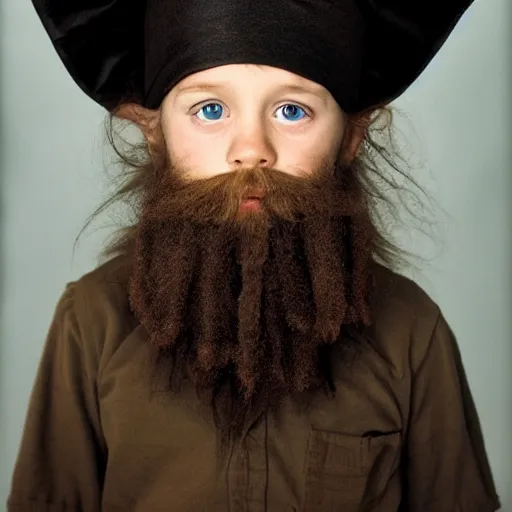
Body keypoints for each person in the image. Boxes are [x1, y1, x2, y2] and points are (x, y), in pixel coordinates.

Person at [7, 0, 502, 510]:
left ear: (351, 136)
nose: (250, 149)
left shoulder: (411, 332)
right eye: (210, 110)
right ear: (156, 132)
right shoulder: (92, 321)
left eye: (292, 111)